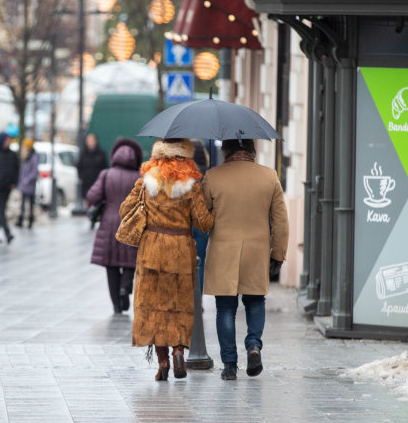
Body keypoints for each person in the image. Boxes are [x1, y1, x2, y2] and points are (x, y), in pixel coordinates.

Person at [120, 138, 214, 381]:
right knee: (180, 305)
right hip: (181, 252)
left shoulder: (145, 181)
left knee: (153, 307)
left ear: (158, 156)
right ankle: (178, 351)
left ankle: (162, 362)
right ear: (185, 157)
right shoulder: (192, 186)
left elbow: (124, 210)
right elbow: (204, 223)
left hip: (151, 252)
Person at [201, 139, 288, 381]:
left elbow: (201, 218)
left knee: (225, 308)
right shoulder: (269, 177)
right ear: (252, 151)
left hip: (223, 251)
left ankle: (229, 365)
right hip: (256, 252)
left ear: (225, 151)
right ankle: (253, 345)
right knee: (255, 301)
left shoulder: (212, 177)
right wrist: (278, 254)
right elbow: (281, 221)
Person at [86, 138, 143, 315]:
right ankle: (125, 287)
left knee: (111, 264)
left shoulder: (106, 174)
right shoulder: (139, 177)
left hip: (109, 224)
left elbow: (91, 196)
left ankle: (116, 306)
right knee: (130, 260)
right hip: (130, 223)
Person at [191, 140, 210, 294]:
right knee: (201, 262)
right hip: (202, 223)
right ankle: (198, 299)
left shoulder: (185, 174)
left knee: (185, 261)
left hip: (185, 222)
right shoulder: (209, 175)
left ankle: (188, 296)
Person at [77, 133, 108, 201]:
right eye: (89, 140)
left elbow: (105, 168)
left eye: (92, 140)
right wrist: (82, 177)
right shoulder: (83, 153)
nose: (90, 142)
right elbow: (79, 166)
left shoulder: (101, 154)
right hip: (86, 185)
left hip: (98, 183)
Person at [16, 138, 39, 228]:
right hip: (24, 183)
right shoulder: (26, 156)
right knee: (23, 203)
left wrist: (28, 179)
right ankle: (21, 219)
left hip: (30, 184)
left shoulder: (33, 156)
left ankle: (30, 220)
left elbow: (34, 170)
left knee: (30, 203)